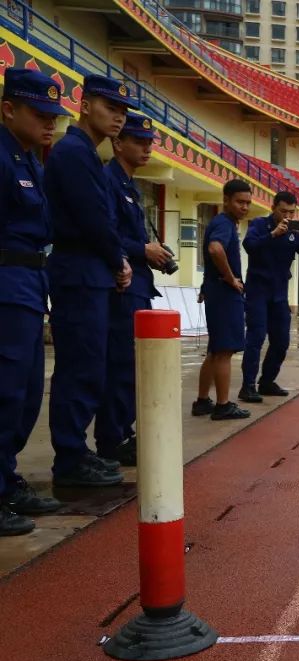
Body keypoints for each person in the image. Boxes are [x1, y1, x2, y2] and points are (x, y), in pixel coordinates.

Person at [45, 74, 137, 488]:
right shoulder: (73, 153)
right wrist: (118, 259)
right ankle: (69, 457)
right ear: (85, 105)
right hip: (79, 271)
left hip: (91, 272)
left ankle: (76, 451)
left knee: (91, 366)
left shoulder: (88, 154)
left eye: (121, 112)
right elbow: (92, 219)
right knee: (79, 367)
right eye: (109, 108)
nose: (117, 118)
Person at [0, 68, 67, 535]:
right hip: (5, 283)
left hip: (27, 283)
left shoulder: (29, 162)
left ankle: (6, 479)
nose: (50, 123)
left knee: (23, 396)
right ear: (8, 108)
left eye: (53, 116)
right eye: (39, 113)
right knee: (4, 392)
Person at [95, 112, 171, 467]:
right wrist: (144, 250)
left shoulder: (129, 185)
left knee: (132, 365)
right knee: (121, 364)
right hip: (122, 287)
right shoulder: (109, 181)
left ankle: (122, 430)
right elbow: (106, 234)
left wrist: (150, 255)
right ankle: (112, 437)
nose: (146, 148)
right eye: (138, 142)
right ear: (117, 143)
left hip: (139, 284)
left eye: (149, 142)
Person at [237, 191, 299, 404]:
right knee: (256, 336)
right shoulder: (259, 224)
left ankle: (267, 381)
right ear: (273, 208)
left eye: (291, 212)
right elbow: (249, 246)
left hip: (280, 292)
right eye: (283, 211)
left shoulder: (294, 231)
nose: (287, 216)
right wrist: (272, 234)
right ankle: (248, 386)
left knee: (281, 340)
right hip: (258, 290)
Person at [192, 179, 252, 420]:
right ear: (225, 200)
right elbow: (215, 249)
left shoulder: (222, 223)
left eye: (248, 203)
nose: (244, 207)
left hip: (215, 291)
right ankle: (223, 405)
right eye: (239, 202)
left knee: (215, 350)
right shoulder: (224, 223)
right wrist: (230, 278)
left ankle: (203, 400)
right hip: (225, 294)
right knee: (224, 351)